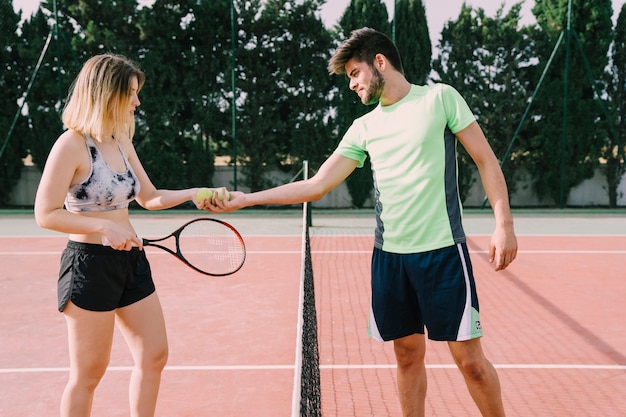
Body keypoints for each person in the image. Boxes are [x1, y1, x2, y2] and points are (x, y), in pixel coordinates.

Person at [205, 28, 518, 416]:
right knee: (406, 355)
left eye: (355, 73)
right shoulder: (364, 127)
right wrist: (247, 200)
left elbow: (486, 159)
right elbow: (318, 184)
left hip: (443, 255)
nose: (352, 84)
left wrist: (503, 223)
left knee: (470, 363)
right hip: (390, 259)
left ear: (380, 62)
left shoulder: (441, 98)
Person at [34, 53, 219, 417]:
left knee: (154, 354)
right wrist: (103, 225)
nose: (137, 101)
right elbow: (45, 214)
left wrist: (193, 193)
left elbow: (149, 197)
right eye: (131, 93)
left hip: (131, 261)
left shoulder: (121, 141)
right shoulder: (71, 144)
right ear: (106, 94)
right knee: (88, 374)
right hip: (89, 266)